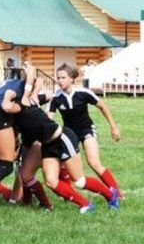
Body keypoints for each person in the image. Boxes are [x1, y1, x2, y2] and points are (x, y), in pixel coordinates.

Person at [2, 92, 120, 213]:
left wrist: (7, 95)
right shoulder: (13, 120)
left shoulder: (23, 104)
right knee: (51, 181)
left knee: (79, 181)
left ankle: (111, 196)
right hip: (47, 145)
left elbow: (8, 106)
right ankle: (85, 204)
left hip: (62, 138)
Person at [48, 63, 122, 198]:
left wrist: (113, 127)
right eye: (58, 78)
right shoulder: (56, 97)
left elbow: (103, 107)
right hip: (70, 134)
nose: (60, 81)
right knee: (64, 164)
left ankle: (117, 194)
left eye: (63, 77)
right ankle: (69, 195)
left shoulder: (83, 92)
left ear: (71, 78)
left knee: (94, 163)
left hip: (86, 130)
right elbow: (49, 118)